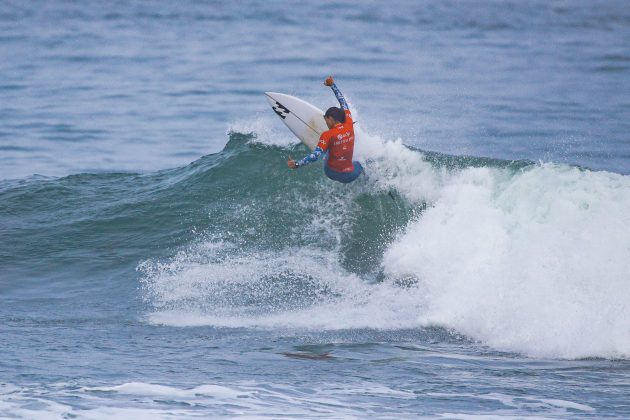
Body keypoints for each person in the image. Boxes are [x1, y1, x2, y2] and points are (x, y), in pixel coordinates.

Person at [287, 76, 363, 183]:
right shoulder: (349, 123)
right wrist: (333, 85)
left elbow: (315, 156)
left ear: (331, 119)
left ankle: (327, 147)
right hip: (349, 175)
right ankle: (368, 178)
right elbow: (343, 103)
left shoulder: (327, 134)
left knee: (325, 149)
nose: (326, 123)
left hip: (330, 172)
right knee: (362, 164)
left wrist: (297, 164)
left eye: (326, 120)